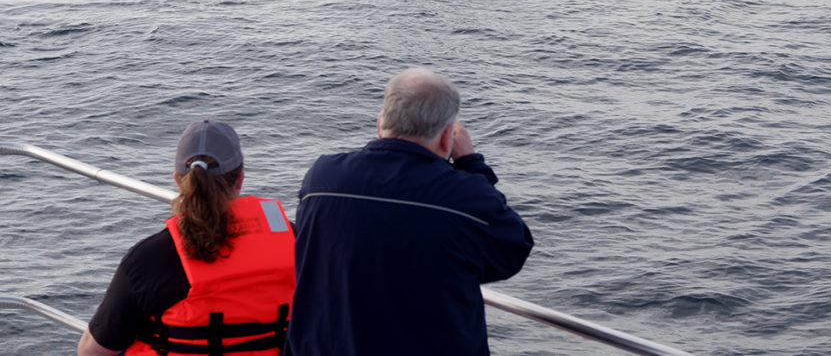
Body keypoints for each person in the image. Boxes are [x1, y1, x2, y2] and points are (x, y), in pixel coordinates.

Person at [286, 68, 534, 355]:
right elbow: (512, 252)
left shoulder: (322, 178)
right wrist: (471, 163)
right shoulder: (468, 197)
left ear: (380, 125)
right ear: (446, 138)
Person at [78, 119, 296, 356]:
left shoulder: (150, 259)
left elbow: (92, 351)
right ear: (240, 178)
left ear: (178, 181)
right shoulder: (297, 241)